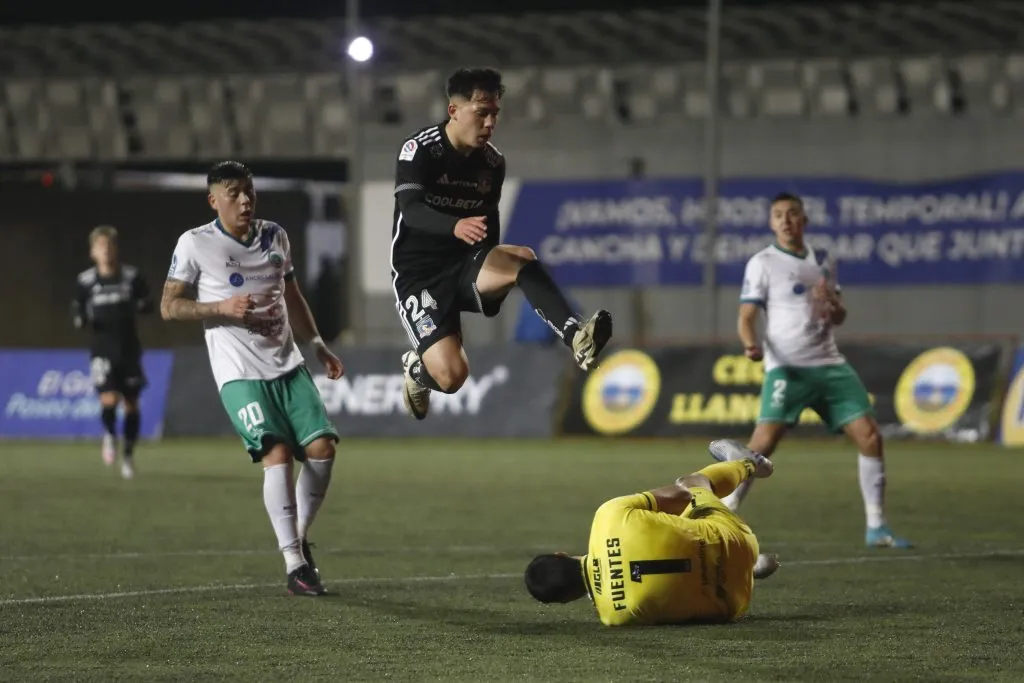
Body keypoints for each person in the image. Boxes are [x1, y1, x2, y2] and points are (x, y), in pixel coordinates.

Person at [160, 161, 344, 596]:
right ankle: (295, 565)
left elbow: (292, 294)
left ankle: (296, 536)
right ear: (213, 200)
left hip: (287, 363)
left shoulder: (276, 236)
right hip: (239, 373)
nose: (245, 201)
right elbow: (170, 306)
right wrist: (219, 309)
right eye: (234, 193)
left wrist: (317, 343)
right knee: (276, 453)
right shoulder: (195, 244)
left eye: (249, 192)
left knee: (322, 449)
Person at [390, 67, 613, 420]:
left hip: (465, 267)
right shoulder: (420, 150)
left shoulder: (492, 163)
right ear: (454, 110)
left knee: (521, 257)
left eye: (495, 113)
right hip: (420, 275)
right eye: (482, 113)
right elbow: (412, 210)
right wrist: (454, 226)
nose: (490, 122)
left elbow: (489, 224)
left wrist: (492, 284)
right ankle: (417, 371)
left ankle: (576, 336)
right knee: (452, 378)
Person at [731, 192, 911, 549]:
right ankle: (723, 509)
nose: (785, 220)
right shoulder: (762, 262)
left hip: (829, 364)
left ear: (804, 220)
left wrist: (832, 301)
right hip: (787, 368)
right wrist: (750, 344)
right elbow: (747, 315)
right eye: (778, 215)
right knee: (762, 444)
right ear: (771, 223)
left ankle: (876, 527)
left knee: (870, 436)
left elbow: (839, 316)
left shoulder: (824, 259)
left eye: (792, 214)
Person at [524, 440, 779, 626]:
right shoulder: (607, 516)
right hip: (734, 534)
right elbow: (681, 497)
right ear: (561, 554)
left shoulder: (615, 617)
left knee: (677, 588)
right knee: (689, 484)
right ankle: (746, 464)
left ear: (566, 600)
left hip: (735, 600)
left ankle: (748, 569)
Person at [72, 225, 152, 480]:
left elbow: (147, 301)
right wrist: (79, 319)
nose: (106, 251)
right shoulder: (86, 282)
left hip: (128, 349)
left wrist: (144, 305)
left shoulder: (131, 277)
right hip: (102, 351)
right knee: (109, 399)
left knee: (131, 403)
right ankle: (109, 435)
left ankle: (128, 456)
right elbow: (77, 309)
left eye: (110, 245)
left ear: (116, 249)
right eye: (101, 246)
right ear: (92, 252)